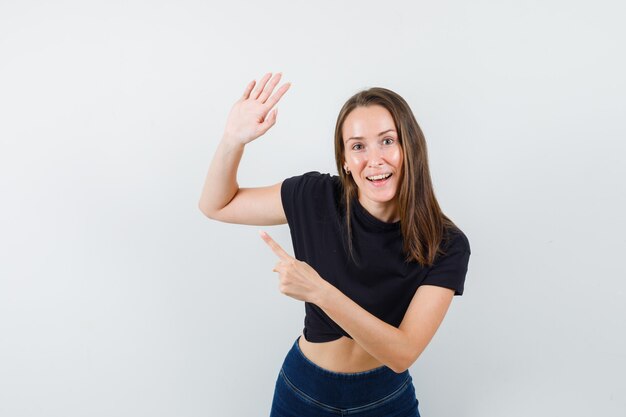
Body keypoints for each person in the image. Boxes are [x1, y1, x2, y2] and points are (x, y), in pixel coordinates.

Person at [198, 71, 471, 417]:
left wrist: (319, 292)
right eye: (358, 146)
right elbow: (216, 205)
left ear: (409, 147)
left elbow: (403, 353)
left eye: (387, 141)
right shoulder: (315, 196)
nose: (374, 159)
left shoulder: (445, 243)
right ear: (345, 159)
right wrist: (232, 140)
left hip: (384, 400)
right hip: (303, 392)